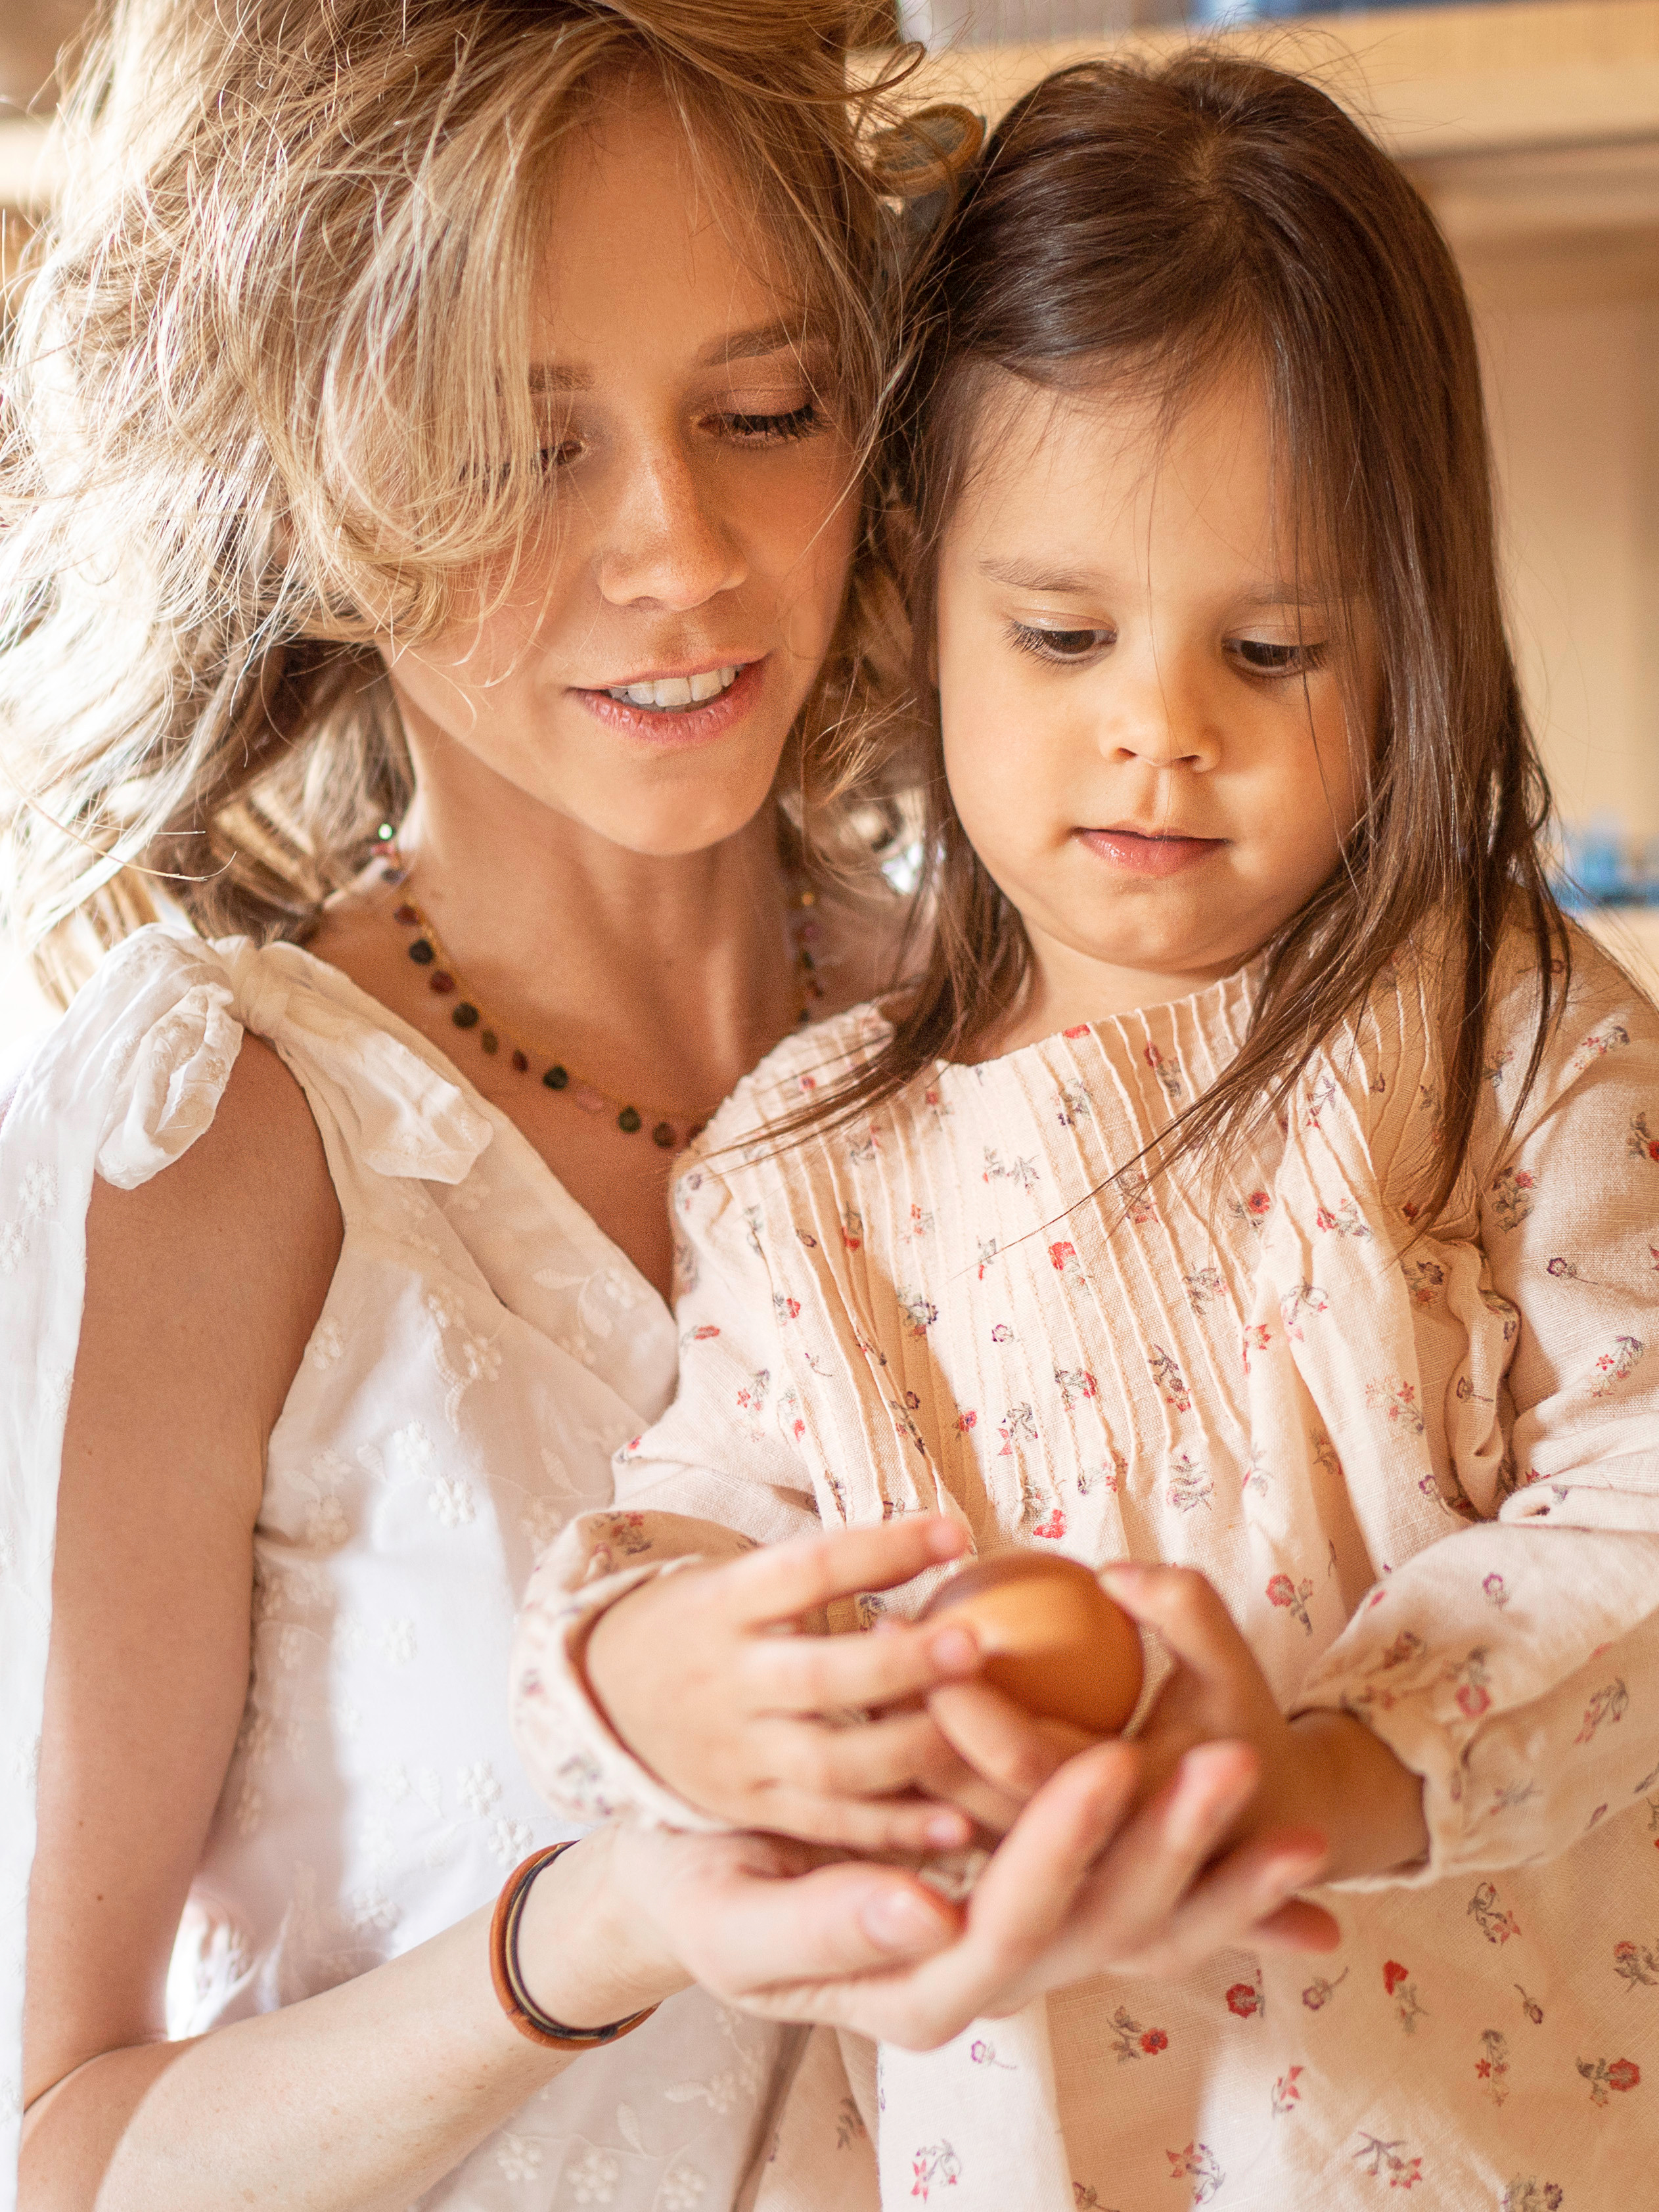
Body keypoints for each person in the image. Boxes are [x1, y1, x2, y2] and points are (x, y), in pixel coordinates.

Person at [1, 6, 1191, 2207]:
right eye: (524, 447)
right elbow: (55, 2150)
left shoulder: (1058, 1020)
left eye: (761, 411)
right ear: (324, 476)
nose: (683, 547)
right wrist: (616, 1914)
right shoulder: (209, 1139)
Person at [510, 51, 1659, 2211]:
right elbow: (698, 1523)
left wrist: (1329, 1769)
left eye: (1273, 646)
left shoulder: (1496, 1033)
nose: (1161, 728)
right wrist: (646, 1669)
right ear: (918, 596)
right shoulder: (806, 1173)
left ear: (1408, 641)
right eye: (1060, 634)